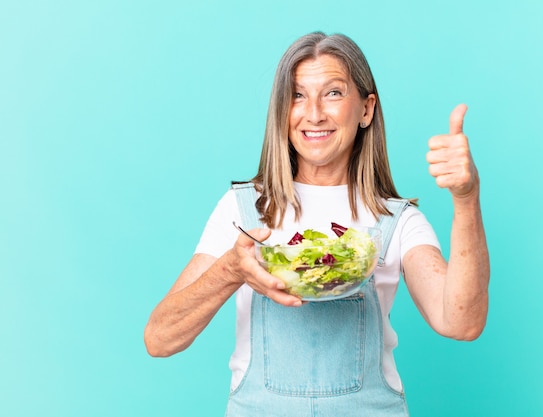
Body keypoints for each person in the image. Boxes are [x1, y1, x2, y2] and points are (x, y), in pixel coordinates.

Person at [144, 31, 490, 417]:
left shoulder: (396, 220)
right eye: (297, 95)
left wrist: (466, 199)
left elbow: (462, 322)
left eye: (334, 93)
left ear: (366, 109)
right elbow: (159, 339)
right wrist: (230, 271)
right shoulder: (242, 209)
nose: (313, 114)